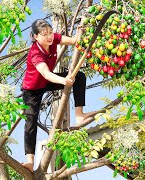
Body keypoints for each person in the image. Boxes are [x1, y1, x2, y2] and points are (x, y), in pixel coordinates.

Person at [21, 19, 96, 172]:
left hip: (47, 82)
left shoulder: (53, 38)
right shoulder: (35, 53)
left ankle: (79, 114)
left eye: (50, 32)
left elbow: (75, 41)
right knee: (31, 122)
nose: (49, 37)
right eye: (44, 34)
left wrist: (80, 32)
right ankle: (30, 161)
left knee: (79, 77)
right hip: (32, 90)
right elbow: (45, 73)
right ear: (36, 37)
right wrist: (64, 80)